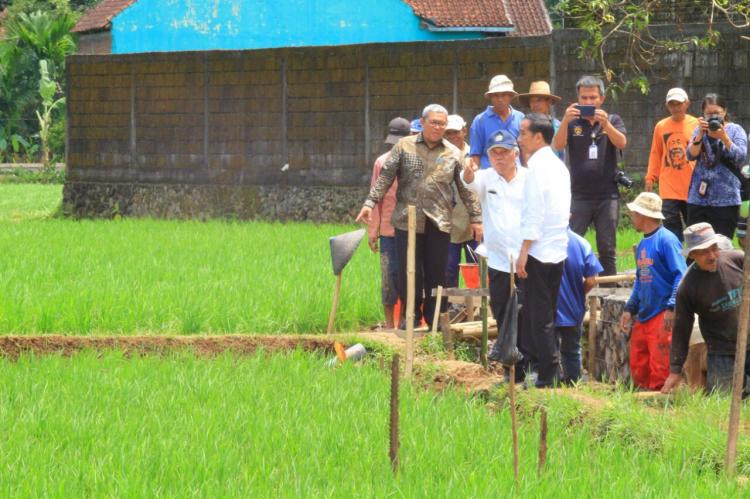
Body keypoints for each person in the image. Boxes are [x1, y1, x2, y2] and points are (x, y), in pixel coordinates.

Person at [356, 104, 482, 329]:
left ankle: (436, 320)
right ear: (422, 123)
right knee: (409, 272)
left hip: (440, 221)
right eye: (433, 122)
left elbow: (465, 189)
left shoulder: (452, 153)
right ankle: (410, 317)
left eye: (442, 123)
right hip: (407, 221)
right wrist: (369, 203)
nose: (437, 127)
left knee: (437, 273)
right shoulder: (404, 147)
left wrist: (476, 219)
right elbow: (385, 178)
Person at [461, 130, 527, 363]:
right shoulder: (486, 178)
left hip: (525, 259)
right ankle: (509, 366)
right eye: (494, 153)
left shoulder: (529, 179)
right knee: (501, 310)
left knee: (525, 314)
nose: (499, 158)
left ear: (515, 154)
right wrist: (468, 173)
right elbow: (468, 181)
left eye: (504, 152)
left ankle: (527, 365)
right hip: (499, 260)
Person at [516, 113, 571, 388]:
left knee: (539, 317)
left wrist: (524, 250)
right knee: (547, 313)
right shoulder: (559, 166)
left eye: (523, 133)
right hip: (557, 249)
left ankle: (548, 376)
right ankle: (550, 372)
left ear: (538, 137)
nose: (519, 139)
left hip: (539, 250)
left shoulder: (537, 167)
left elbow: (535, 212)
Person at [552, 75, 627, 278]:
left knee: (607, 248)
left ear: (601, 98)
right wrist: (566, 120)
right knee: (570, 245)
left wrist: (606, 125)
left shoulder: (612, 120)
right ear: (577, 99)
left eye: (593, 97)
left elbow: (622, 143)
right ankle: (572, 289)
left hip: (607, 196)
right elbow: (557, 145)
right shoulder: (572, 122)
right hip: (578, 196)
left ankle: (609, 295)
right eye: (584, 98)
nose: (588, 102)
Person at [662, 223, 748, 395]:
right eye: (704, 252)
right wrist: (675, 370)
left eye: (714, 248)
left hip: (749, 340)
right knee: (722, 403)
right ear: (692, 254)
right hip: (721, 350)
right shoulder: (687, 288)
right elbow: (681, 329)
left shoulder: (737, 259)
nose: (712, 256)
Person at [619, 192, 686, 390]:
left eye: (634, 214)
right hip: (644, 314)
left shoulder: (667, 240)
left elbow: (680, 274)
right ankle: (643, 404)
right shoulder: (642, 245)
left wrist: (672, 305)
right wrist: (630, 308)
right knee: (639, 363)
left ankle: (660, 407)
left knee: (660, 364)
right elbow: (640, 279)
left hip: (661, 313)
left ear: (644, 215)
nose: (632, 218)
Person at [367, 116, 411, 329]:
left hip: (411, 230)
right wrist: (372, 231)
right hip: (388, 232)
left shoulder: (416, 162)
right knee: (388, 276)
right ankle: (388, 324)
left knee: (408, 276)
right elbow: (376, 198)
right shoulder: (381, 162)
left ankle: (404, 320)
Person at [685, 93, 748, 239]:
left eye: (717, 113)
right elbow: (690, 155)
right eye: (709, 113)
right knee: (697, 246)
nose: (713, 116)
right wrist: (700, 134)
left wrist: (724, 138)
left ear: (724, 112)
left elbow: (740, 157)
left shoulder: (735, 130)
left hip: (726, 200)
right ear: (703, 114)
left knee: (721, 246)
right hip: (698, 199)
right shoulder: (699, 130)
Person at [644, 88, 700, 241]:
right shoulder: (661, 126)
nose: (676, 107)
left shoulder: (696, 124)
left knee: (694, 229)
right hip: (668, 187)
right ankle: (674, 261)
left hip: (692, 185)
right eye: (672, 104)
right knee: (671, 229)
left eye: (679, 103)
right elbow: (656, 153)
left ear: (687, 103)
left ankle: (692, 263)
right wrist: (651, 176)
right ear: (667, 106)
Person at [555, 228, 603, 384]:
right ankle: (573, 383)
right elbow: (591, 279)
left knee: (548, 350)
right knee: (572, 350)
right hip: (573, 306)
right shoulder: (582, 243)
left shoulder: (542, 240)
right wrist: (578, 292)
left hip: (547, 307)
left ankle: (550, 384)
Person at [444, 114, 478, 287]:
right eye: (448, 133)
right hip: (450, 223)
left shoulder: (474, 155)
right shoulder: (441, 156)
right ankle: (451, 309)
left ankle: (478, 309)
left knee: (475, 267)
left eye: (456, 132)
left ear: (464, 131)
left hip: (472, 222)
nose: (452, 137)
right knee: (449, 269)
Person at [469, 74, 524, 170]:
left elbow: (525, 151)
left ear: (511, 96)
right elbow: (475, 154)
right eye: (495, 95)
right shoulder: (480, 121)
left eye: (504, 95)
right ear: (490, 97)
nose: (500, 99)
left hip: (515, 175)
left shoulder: (521, 118)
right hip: (489, 175)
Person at [516, 81, 564, 160]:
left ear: (548, 102)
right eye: (532, 101)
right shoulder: (524, 126)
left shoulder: (558, 126)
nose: (535, 104)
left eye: (539, 100)